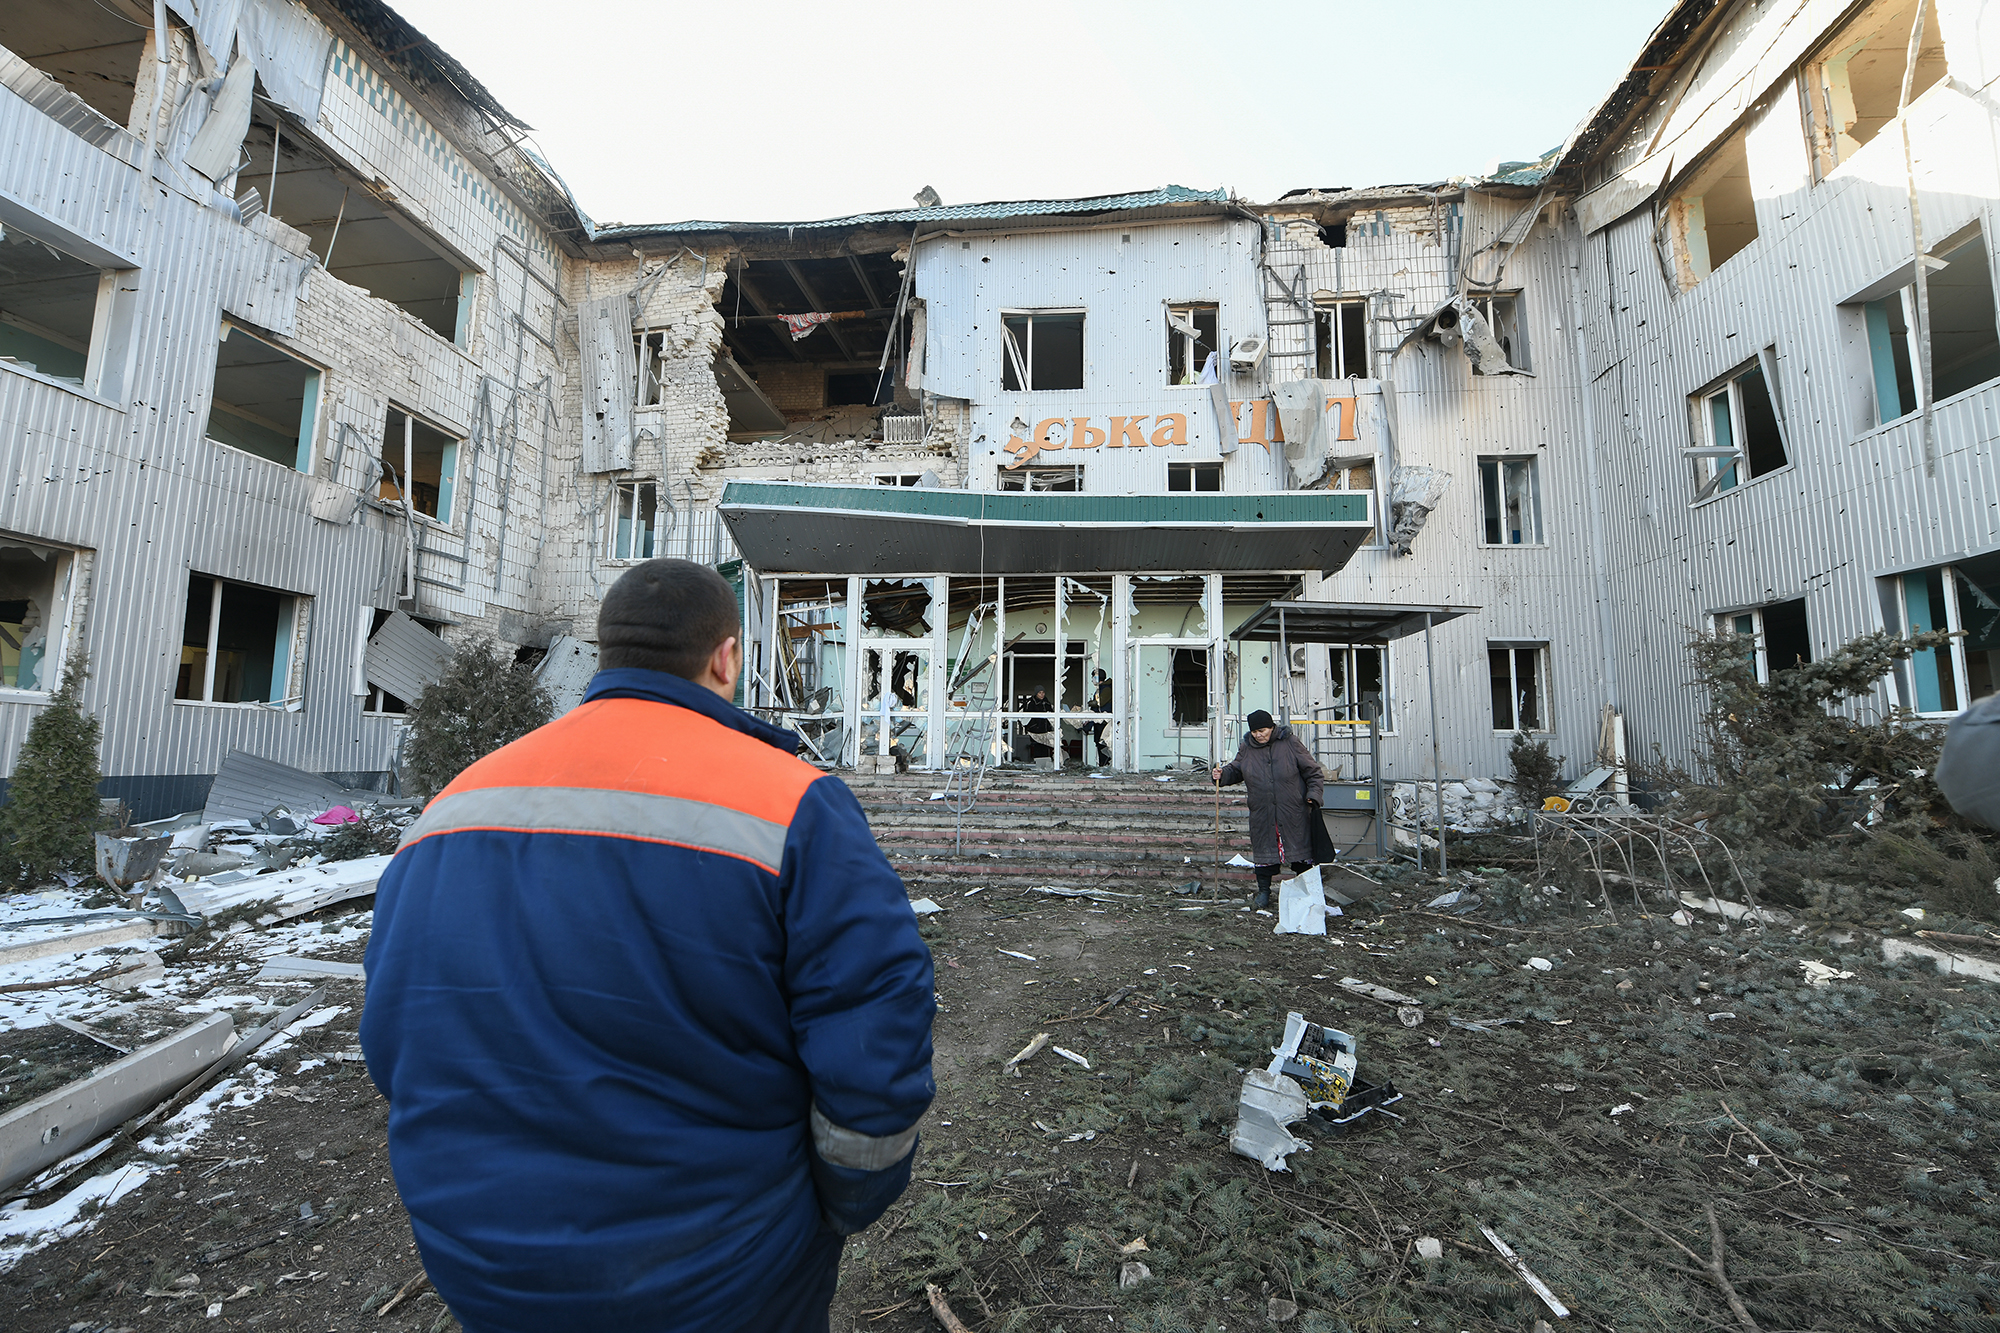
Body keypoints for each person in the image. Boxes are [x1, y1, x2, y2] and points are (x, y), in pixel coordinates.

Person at [360, 558, 936, 1333]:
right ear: (726, 656)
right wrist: (842, 1205)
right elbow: (874, 1036)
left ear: (605, 655)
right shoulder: (794, 804)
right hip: (729, 1270)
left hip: (489, 1266)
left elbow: (395, 1040)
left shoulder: (452, 807)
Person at [1212, 709, 1325, 909]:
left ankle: (1309, 894)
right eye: (1254, 732)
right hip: (1263, 812)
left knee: (1302, 855)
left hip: (1293, 810)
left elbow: (1313, 771)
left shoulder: (1290, 742)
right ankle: (1263, 892)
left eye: (1262, 730)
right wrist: (1221, 774)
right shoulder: (1247, 747)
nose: (1259, 735)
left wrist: (1313, 796)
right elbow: (1236, 769)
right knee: (1264, 854)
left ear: (1272, 727)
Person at [1081, 669, 1113, 766]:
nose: (1092, 680)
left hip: (1104, 722)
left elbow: (1100, 703)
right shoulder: (1101, 688)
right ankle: (1102, 765)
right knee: (1099, 745)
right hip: (1098, 722)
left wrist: (1091, 703)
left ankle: (1105, 766)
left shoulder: (1106, 688)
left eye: (1093, 677)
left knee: (1103, 746)